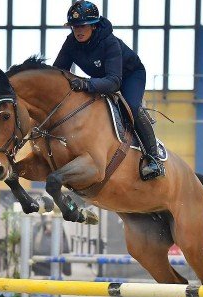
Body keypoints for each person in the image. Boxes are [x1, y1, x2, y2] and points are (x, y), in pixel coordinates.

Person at [53, 0, 165, 181]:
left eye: (82, 26)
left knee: (132, 108)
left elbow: (113, 82)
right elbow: (58, 71)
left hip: (129, 76)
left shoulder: (109, 42)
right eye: (74, 27)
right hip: (102, 78)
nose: (78, 31)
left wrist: (86, 84)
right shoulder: (71, 42)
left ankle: (154, 158)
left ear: (94, 26)